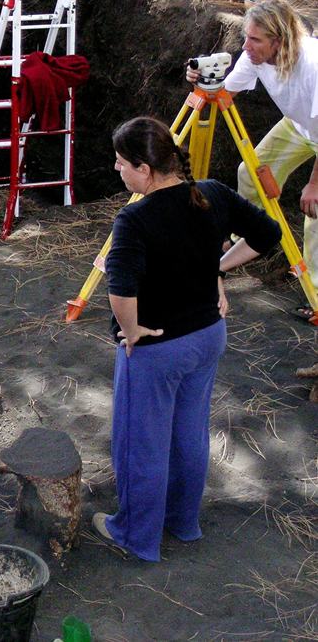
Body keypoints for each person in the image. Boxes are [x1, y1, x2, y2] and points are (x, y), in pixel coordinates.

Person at [93, 116, 281, 562]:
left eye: (121, 164)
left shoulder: (135, 218)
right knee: (188, 433)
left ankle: (136, 536)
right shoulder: (211, 193)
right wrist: (218, 268)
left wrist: (132, 328)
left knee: (142, 443)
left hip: (159, 349)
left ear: (144, 168)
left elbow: (120, 288)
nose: (117, 171)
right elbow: (267, 235)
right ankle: (183, 522)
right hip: (207, 337)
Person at [187, 0, 318, 318]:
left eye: (255, 39)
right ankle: (250, 235)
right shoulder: (255, 56)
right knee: (250, 172)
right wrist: (204, 82)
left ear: (279, 41)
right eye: (246, 36)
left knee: (315, 213)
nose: (246, 46)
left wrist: (314, 186)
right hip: (300, 125)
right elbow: (225, 94)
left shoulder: (313, 66)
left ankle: (315, 291)